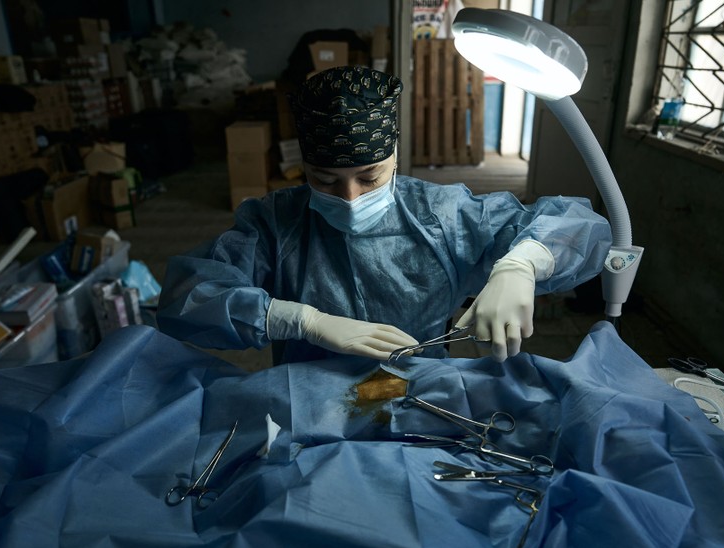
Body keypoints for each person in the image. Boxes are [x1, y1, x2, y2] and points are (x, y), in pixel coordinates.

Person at [157, 66, 611, 364]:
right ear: (304, 168)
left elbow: (580, 227)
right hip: (309, 407)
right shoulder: (275, 223)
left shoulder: (442, 215)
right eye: (326, 180)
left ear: (394, 156)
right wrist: (300, 320)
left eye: (369, 178)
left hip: (422, 396)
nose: (350, 197)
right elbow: (187, 295)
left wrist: (521, 264)